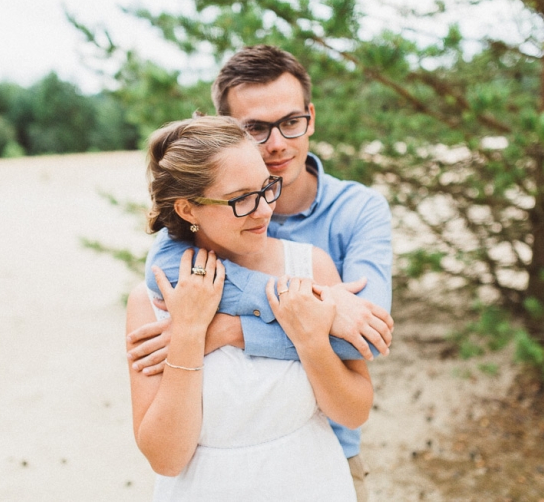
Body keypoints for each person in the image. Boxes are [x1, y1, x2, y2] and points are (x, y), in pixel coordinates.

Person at [128, 45, 394, 501]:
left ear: (310, 117)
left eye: (290, 122)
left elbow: (361, 342)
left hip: (317, 473)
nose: (263, 210)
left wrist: (235, 329)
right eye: (256, 128)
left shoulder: (323, 250)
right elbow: (165, 458)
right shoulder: (164, 283)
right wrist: (190, 331)